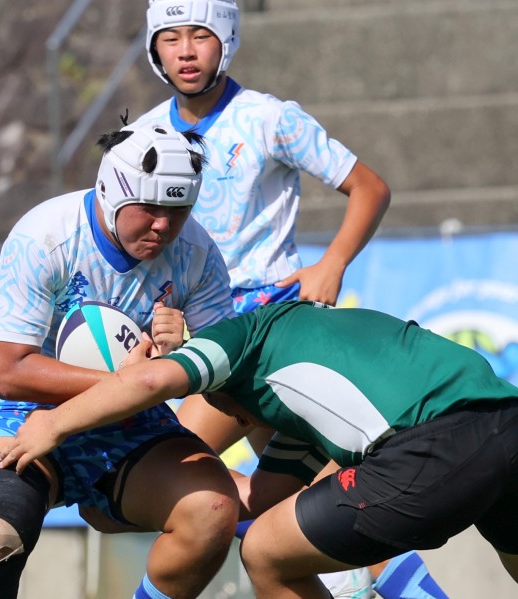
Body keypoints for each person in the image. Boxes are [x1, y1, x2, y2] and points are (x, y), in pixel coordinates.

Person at [134, 2, 450, 596]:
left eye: (200, 35)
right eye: (170, 38)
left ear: (227, 39)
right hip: (204, 341)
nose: (186, 51)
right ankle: (353, 576)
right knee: (305, 512)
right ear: (154, 50)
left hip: (271, 336)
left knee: (169, 476)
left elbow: (369, 187)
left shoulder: (270, 118)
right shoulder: (144, 135)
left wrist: (331, 263)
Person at [0, 300, 518, 599]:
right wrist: (138, 510)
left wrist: (54, 424)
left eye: (218, 403)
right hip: (507, 421)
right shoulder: (304, 397)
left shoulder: (241, 337)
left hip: (431, 443)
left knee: (267, 554)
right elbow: (260, 499)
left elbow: (151, 380)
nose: (238, 420)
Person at [0, 122, 241, 599]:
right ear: (111, 192)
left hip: (132, 419)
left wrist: (187, 355)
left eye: (178, 210)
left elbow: (228, 375)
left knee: (213, 511)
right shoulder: (45, 236)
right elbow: (8, 371)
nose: (163, 226)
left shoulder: (197, 252)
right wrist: (132, 381)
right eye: (149, 208)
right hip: (30, 408)